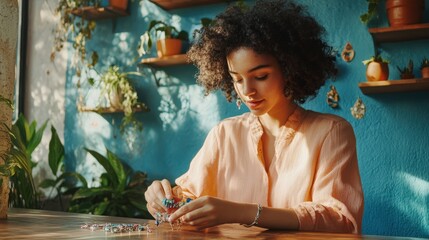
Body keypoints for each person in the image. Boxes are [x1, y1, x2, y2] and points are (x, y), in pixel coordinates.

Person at [144, 0, 363, 234]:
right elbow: (187, 201)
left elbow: (340, 219)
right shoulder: (224, 134)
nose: (247, 90)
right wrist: (160, 199)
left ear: (290, 70)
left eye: (260, 76)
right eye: (237, 79)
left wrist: (241, 212)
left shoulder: (332, 132)